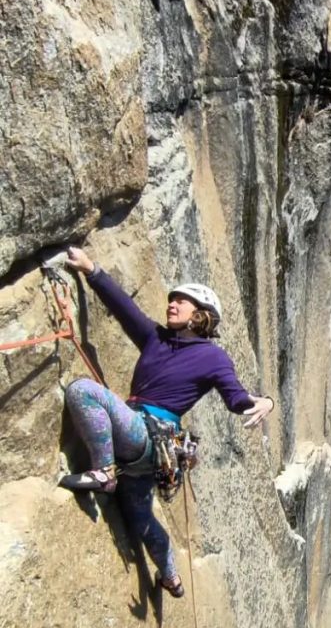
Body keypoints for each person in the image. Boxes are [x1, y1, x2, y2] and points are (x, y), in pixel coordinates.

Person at [59, 246, 274, 598]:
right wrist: (90, 269)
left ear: (200, 315)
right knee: (140, 518)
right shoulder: (155, 338)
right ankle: (171, 577)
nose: (171, 304)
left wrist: (267, 401)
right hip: (149, 450)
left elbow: (236, 399)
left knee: (83, 390)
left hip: (145, 435)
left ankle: (104, 471)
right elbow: (123, 307)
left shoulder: (213, 357)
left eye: (180, 302)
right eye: (172, 300)